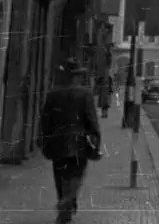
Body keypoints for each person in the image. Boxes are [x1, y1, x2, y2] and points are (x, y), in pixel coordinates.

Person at [39, 58, 101, 224]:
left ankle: (65, 207)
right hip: (79, 140)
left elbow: (45, 121)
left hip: (57, 141)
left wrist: (43, 140)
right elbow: (91, 119)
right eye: (79, 75)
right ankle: (67, 201)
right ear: (75, 77)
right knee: (77, 173)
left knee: (60, 175)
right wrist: (96, 139)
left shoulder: (53, 94)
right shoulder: (85, 94)